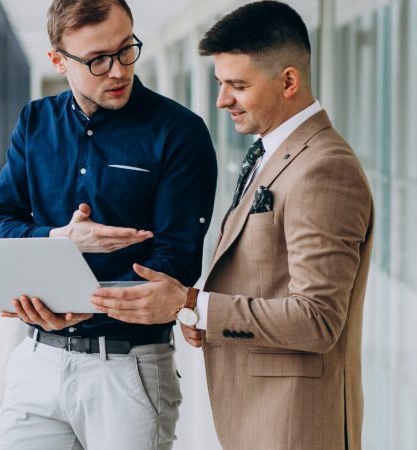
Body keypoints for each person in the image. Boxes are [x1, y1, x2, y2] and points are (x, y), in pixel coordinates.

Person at [91, 2, 375, 449]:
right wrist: (199, 313)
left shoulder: (324, 169)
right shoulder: (276, 152)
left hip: (294, 425)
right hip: (262, 415)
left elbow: (317, 319)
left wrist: (192, 303)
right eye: (221, 83)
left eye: (237, 85)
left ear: (288, 82)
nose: (222, 100)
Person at [0, 0, 217, 449]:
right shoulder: (35, 122)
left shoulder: (180, 132)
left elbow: (176, 261)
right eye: (98, 60)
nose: (119, 70)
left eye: (127, 49)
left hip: (128, 371)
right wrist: (59, 239)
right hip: (37, 359)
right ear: (58, 62)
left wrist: (91, 302)